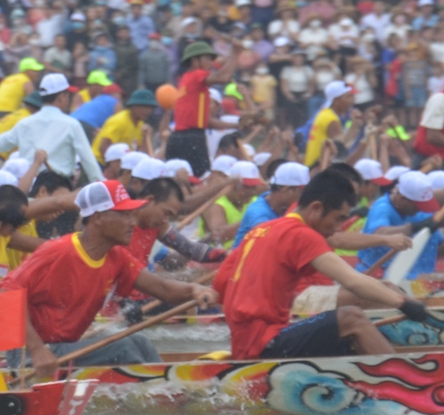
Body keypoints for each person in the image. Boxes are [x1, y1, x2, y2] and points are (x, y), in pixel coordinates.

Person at [9, 180, 219, 381]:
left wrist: (195, 290)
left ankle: (167, 387)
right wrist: (37, 351)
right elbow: (7, 292)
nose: (133, 222)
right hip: (33, 355)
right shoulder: (57, 251)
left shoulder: (116, 256)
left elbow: (162, 288)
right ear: (99, 218)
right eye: (125, 215)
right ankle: (154, 395)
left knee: (140, 341)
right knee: (124, 347)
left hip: (65, 348)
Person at [216, 167, 417, 361]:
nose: (337, 228)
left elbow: (220, 287)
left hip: (245, 342)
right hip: (263, 344)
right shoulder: (302, 235)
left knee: (345, 339)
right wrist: (403, 303)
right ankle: (406, 382)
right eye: (338, 219)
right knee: (351, 317)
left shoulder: (259, 231)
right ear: (316, 208)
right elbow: (353, 281)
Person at [0, 73, 99, 181]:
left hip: (29, 185)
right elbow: (88, 161)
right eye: (67, 95)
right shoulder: (72, 124)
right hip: (57, 187)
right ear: (61, 97)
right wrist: (102, 184)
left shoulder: (25, 123)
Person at [166, 40, 230, 176]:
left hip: (178, 137)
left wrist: (237, 124)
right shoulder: (197, 74)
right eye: (207, 58)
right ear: (195, 61)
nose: (210, 63)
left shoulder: (186, 79)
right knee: (201, 179)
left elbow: (207, 121)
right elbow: (223, 78)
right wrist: (237, 52)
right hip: (192, 138)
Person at [93, 89, 159, 162]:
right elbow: (103, 148)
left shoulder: (141, 125)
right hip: (99, 163)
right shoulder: (119, 121)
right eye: (143, 106)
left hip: (120, 166)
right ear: (133, 105)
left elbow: (140, 154)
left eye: (150, 107)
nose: (147, 111)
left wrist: (145, 137)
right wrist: (116, 171)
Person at [302, 80, 355, 166]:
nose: (352, 101)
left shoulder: (326, 113)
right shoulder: (330, 119)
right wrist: (355, 125)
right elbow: (342, 146)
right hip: (317, 169)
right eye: (348, 97)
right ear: (336, 101)